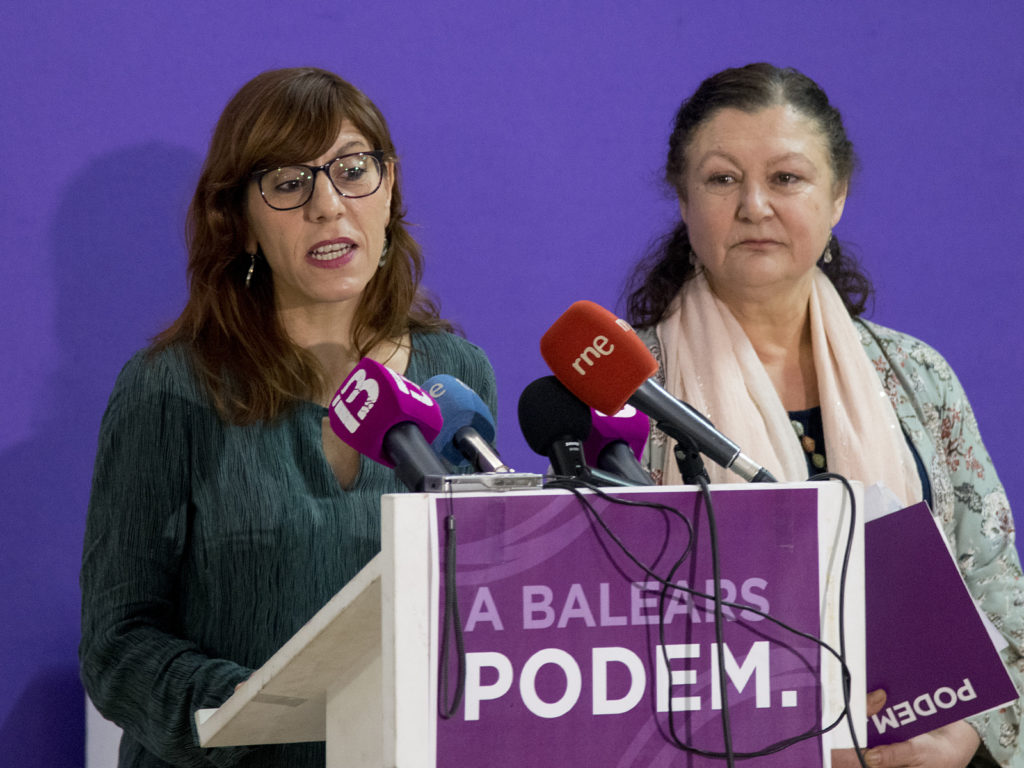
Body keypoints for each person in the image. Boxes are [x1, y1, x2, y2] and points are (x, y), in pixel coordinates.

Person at [79, 67, 496, 767]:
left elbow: (470, 604)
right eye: (288, 182)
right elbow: (117, 641)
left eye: (353, 170)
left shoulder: (454, 375)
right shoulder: (170, 390)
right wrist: (249, 710)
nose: (328, 206)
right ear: (240, 223)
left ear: (389, 188)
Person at [625, 63, 1023, 768]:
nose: (754, 205)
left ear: (837, 197)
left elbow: (998, 597)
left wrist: (968, 733)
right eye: (722, 179)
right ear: (683, 201)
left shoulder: (917, 378)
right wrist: (785, 743)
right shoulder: (630, 389)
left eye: (787, 178)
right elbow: (602, 637)